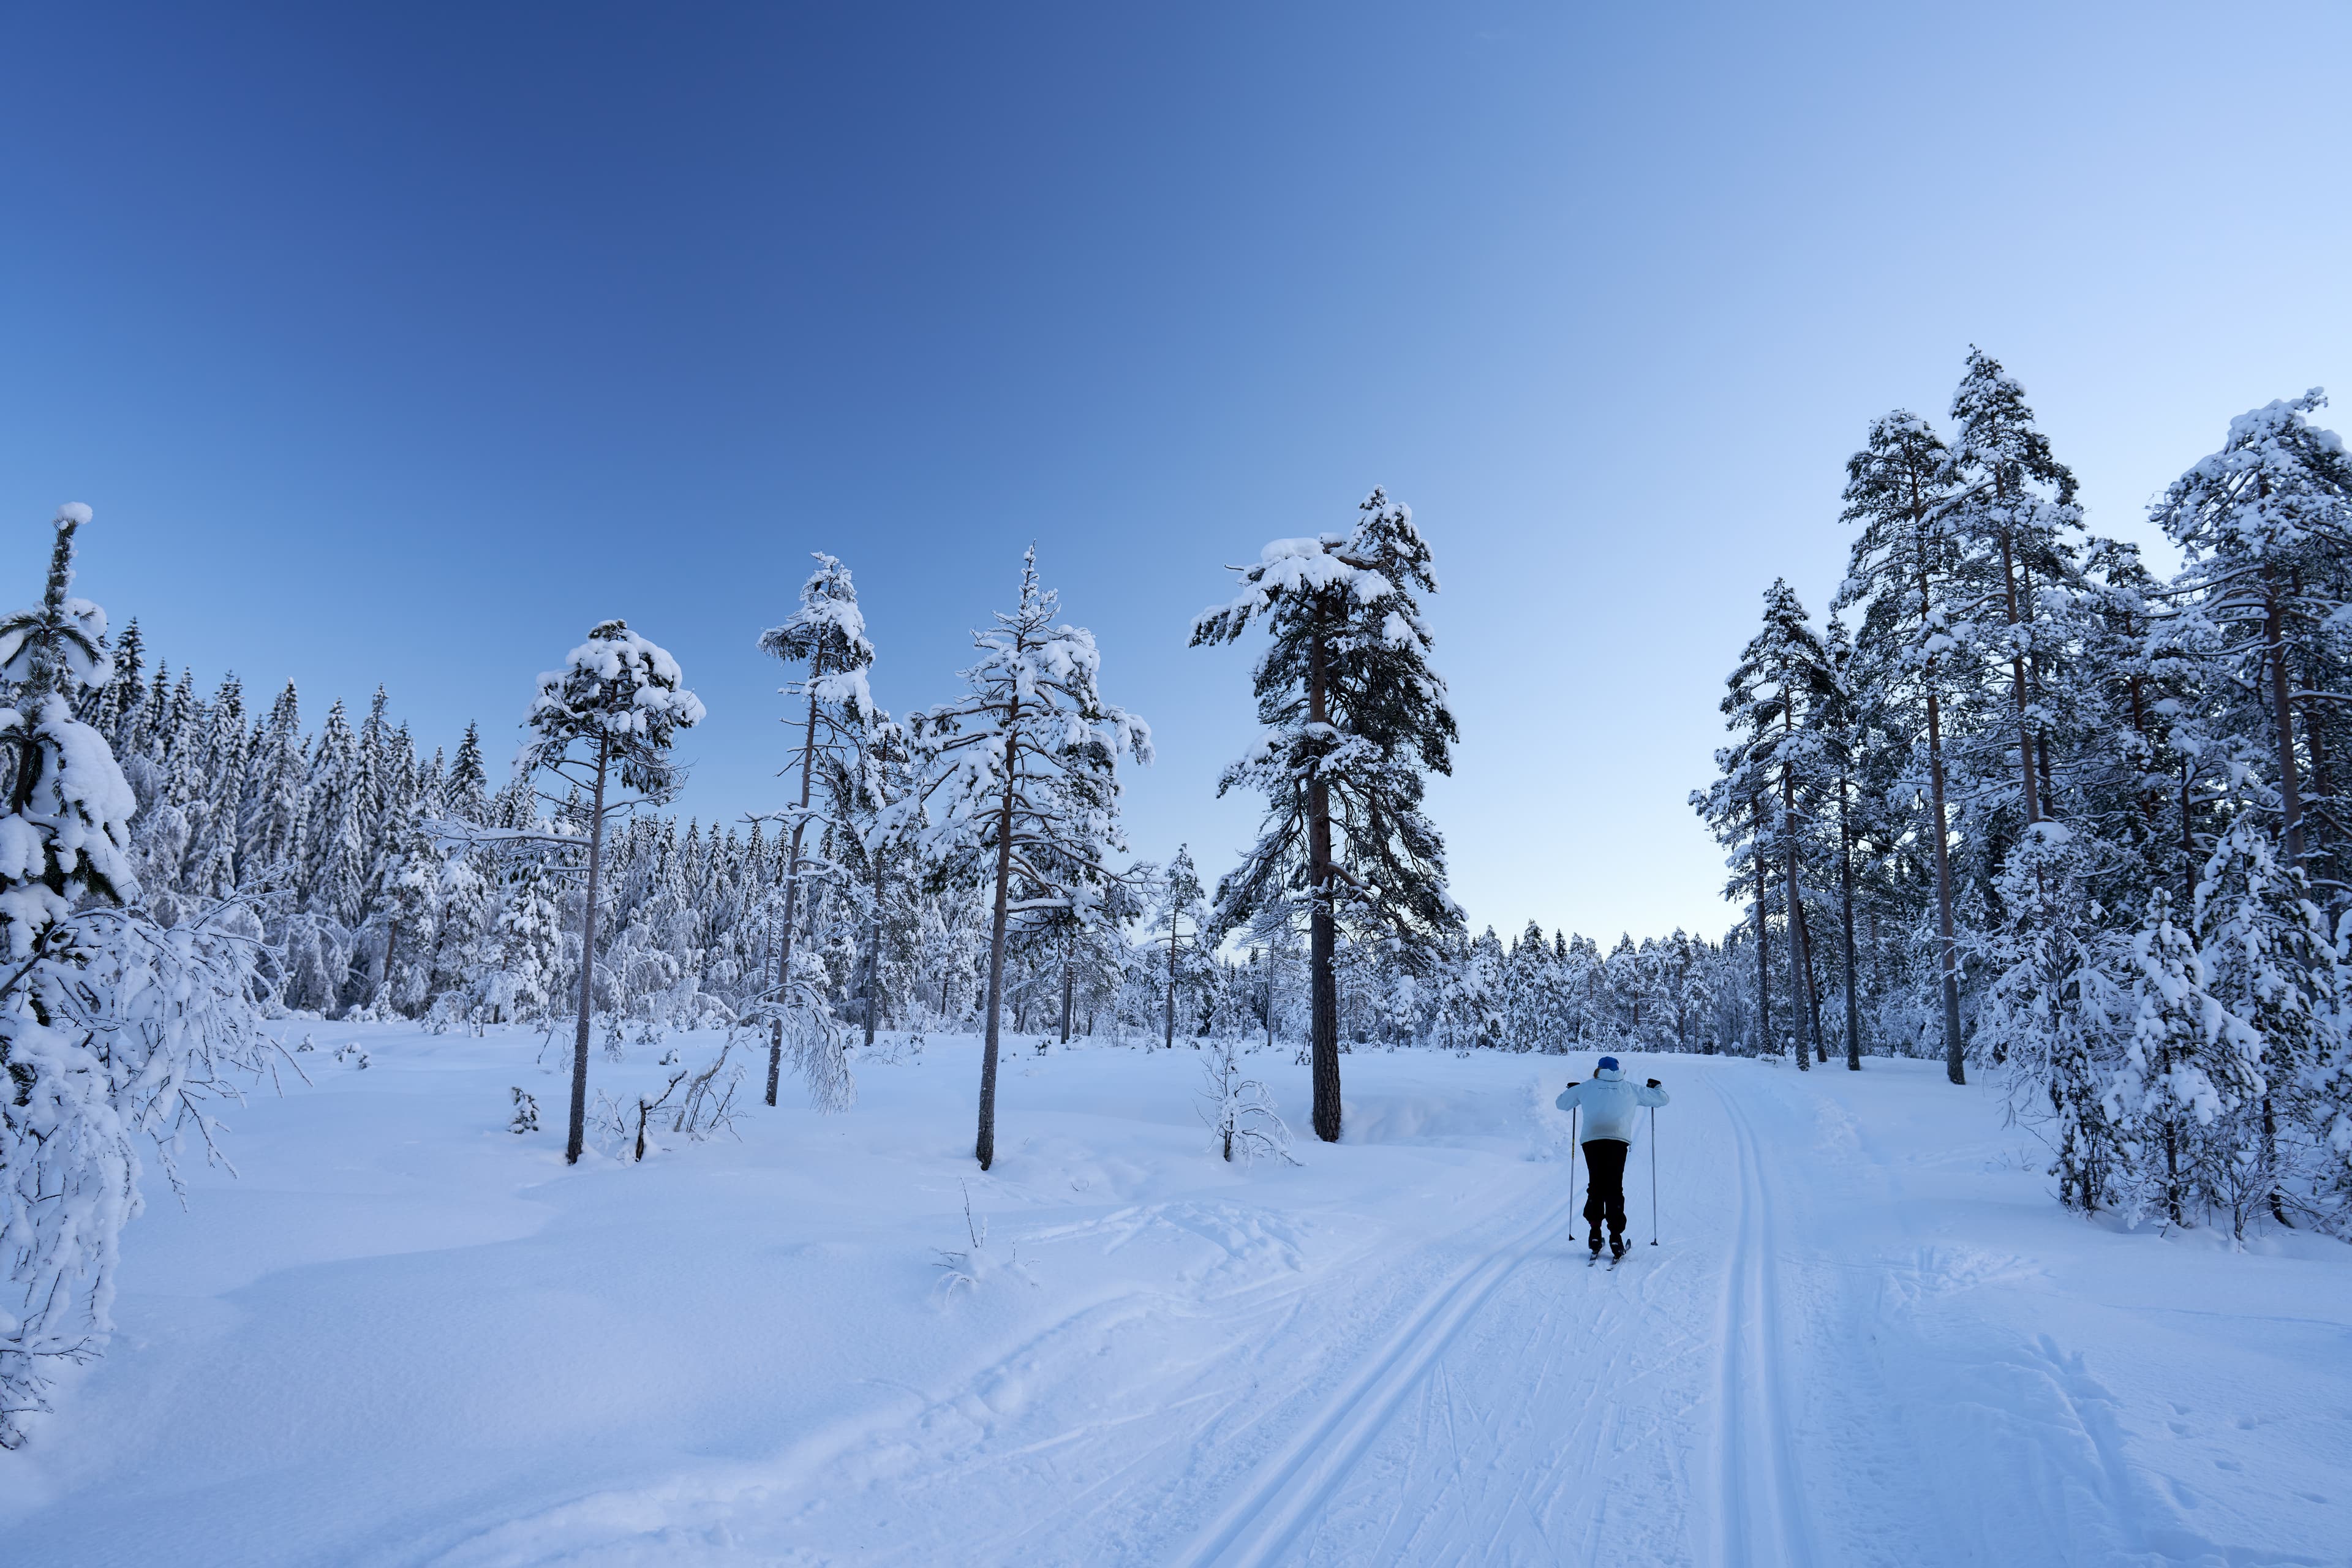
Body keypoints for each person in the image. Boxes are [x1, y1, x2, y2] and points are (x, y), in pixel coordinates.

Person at [1555, 1057, 1670, 1258]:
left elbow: (1561, 1104)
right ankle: (1615, 1237)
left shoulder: (1587, 1087)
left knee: (1596, 1184)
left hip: (1592, 1140)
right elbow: (1662, 1099)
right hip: (1618, 1140)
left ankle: (1594, 1234)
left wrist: (1571, 1090)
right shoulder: (1630, 1088)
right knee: (1614, 1186)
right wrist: (1656, 1087)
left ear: (1599, 1069)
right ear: (1619, 1071)